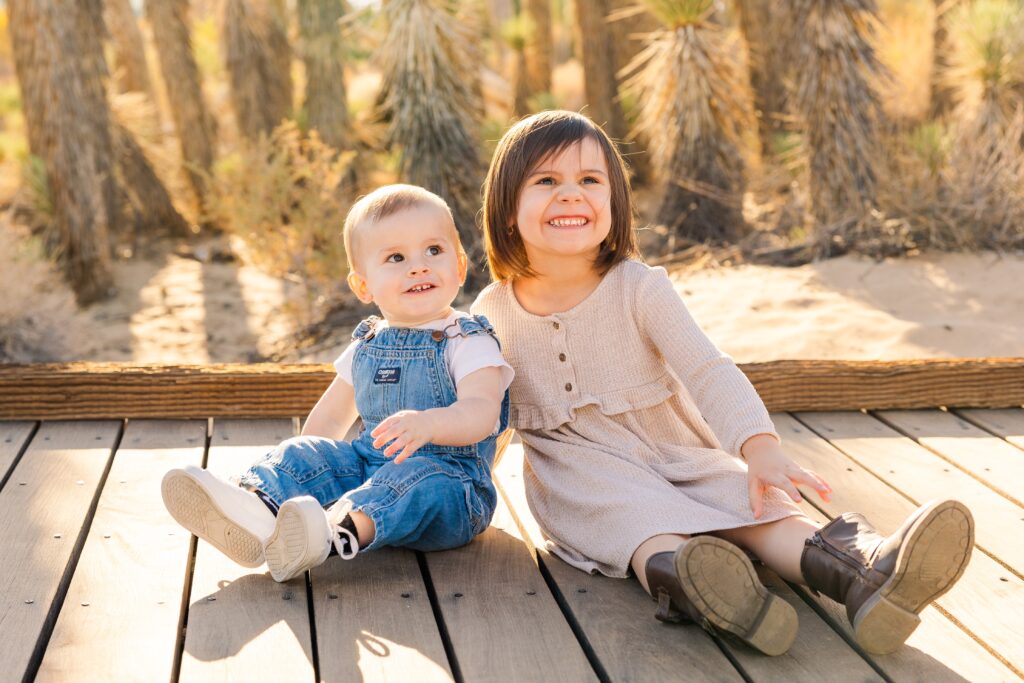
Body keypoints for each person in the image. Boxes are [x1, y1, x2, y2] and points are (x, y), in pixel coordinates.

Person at [470, 110, 974, 656]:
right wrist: (467, 490)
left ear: (614, 204)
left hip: (675, 451)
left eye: (590, 181)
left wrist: (759, 449)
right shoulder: (492, 312)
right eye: (546, 181)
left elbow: (708, 369)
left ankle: (864, 573)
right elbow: (484, 412)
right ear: (507, 208)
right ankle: (702, 589)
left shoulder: (638, 287)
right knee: (636, 520)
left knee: (753, 503)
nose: (571, 195)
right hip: (581, 475)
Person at [162, 184, 513, 582]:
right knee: (303, 451)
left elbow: (483, 413)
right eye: (396, 257)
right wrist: (308, 471)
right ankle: (258, 510)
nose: (419, 266)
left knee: (413, 478)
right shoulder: (367, 344)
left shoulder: (467, 339)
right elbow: (330, 418)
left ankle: (331, 535)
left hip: (451, 488)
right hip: (367, 467)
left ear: (461, 267)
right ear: (363, 286)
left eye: (434, 251)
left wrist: (430, 424)